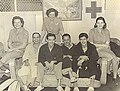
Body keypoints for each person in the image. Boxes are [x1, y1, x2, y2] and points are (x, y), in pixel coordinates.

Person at [89, 17, 119, 84]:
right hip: (96, 50)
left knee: (115, 59)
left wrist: (98, 45)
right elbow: (91, 44)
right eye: (98, 22)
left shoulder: (106, 31)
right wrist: (102, 45)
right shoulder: (92, 31)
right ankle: (108, 71)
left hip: (106, 49)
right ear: (96, 23)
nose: (100, 24)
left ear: (104, 23)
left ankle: (114, 77)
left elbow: (107, 44)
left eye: (101, 22)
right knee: (112, 57)